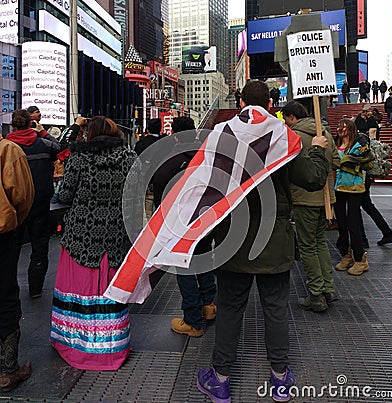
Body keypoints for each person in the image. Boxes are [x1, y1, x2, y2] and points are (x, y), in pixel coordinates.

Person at [197, 81, 329, 403]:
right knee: (276, 309)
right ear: (272, 103)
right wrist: (319, 151)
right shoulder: (284, 135)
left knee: (229, 309)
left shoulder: (222, 134)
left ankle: (221, 379)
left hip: (233, 239)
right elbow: (312, 178)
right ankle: (280, 379)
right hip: (274, 238)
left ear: (240, 101)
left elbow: (203, 181)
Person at [50, 116, 142, 370]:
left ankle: (74, 344)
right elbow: (135, 202)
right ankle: (110, 350)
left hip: (81, 237)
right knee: (109, 295)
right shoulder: (130, 160)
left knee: (79, 291)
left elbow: (65, 193)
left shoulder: (80, 158)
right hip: (114, 237)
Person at [152, 117, 217, 337]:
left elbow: (159, 183)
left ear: (175, 134)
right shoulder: (205, 154)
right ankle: (209, 305)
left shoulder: (171, 157)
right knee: (204, 260)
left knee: (184, 268)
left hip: (180, 222)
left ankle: (193, 321)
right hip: (206, 219)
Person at [281, 101, 339, 312]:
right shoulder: (324, 133)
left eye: (286, 119)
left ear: (292, 117)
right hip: (325, 199)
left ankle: (316, 294)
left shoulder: (294, 137)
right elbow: (335, 162)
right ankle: (328, 288)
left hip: (304, 199)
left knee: (307, 246)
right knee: (320, 242)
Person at [6, 109, 60, 298]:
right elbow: (60, 149)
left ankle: (9, 286)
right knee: (39, 245)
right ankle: (35, 289)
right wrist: (42, 131)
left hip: (14, 204)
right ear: (31, 123)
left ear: (13, 124)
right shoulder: (44, 144)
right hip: (40, 202)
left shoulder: (7, 146)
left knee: (11, 247)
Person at [0, 134, 34, 391]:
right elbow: (23, 196)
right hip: (2, 235)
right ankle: (7, 370)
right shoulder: (8, 151)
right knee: (6, 294)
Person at [334, 118, 374, 276]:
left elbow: (367, 162)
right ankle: (346, 254)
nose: (341, 130)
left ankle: (360, 259)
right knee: (341, 224)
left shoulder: (358, 146)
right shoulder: (337, 145)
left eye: (344, 127)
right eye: (339, 127)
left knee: (353, 224)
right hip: (339, 188)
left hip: (354, 189)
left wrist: (346, 163)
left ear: (351, 129)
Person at [360, 175, 392, 248]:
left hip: (358, 179)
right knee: (368, 206)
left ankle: (362, 239)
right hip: (364, 178)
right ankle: (387, 233)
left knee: (356, 209)